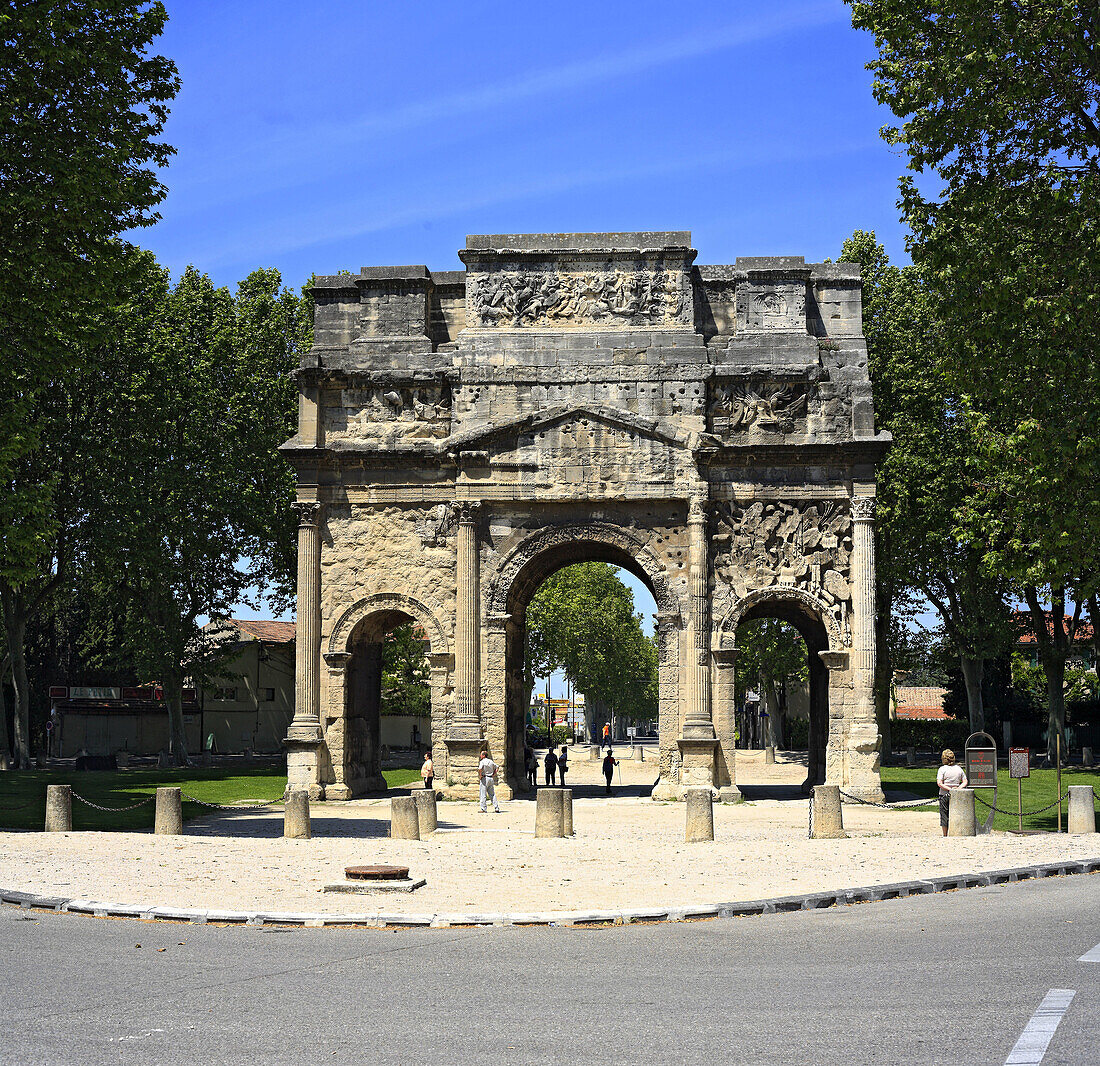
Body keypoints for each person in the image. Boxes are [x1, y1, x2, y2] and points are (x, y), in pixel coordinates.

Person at [937, 748, 968, 836]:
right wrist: (958, 788)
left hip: (944, 794)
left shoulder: (942, 769)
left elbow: (939, 783)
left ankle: (945, 834)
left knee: (944, 815)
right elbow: (965, 781)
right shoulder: (959, 769)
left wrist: (948, 789)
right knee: (957, 814)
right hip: (957, 794)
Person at [478, 748, 501, 813]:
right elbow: (497, 767)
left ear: (483, 755)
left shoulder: (482, 762)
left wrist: (480, 775)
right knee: (492, 794)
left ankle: (483, 808)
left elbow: (480, 769)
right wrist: (494, 774)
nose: (480, 756)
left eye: (481, 755)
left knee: (483, 794)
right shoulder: (491, 761)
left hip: (485, 778)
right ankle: (496, 807)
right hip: (491, 778)